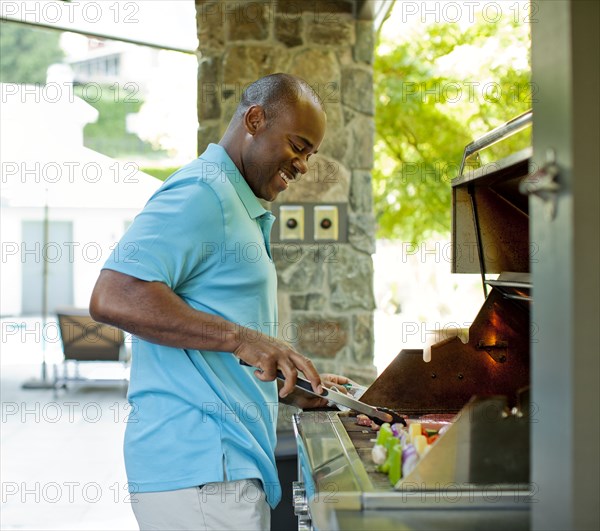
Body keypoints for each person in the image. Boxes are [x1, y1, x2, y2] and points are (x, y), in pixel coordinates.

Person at [89, 73, 349, 531]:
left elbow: (210, 351)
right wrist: (241, 338)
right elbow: (114, 295)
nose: (304, 166)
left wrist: (289, 384)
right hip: (204, 476)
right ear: (254, 119)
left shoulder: (234, 203)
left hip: (218, 474)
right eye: (298, 145)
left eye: (311, 154)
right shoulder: (204, 193)